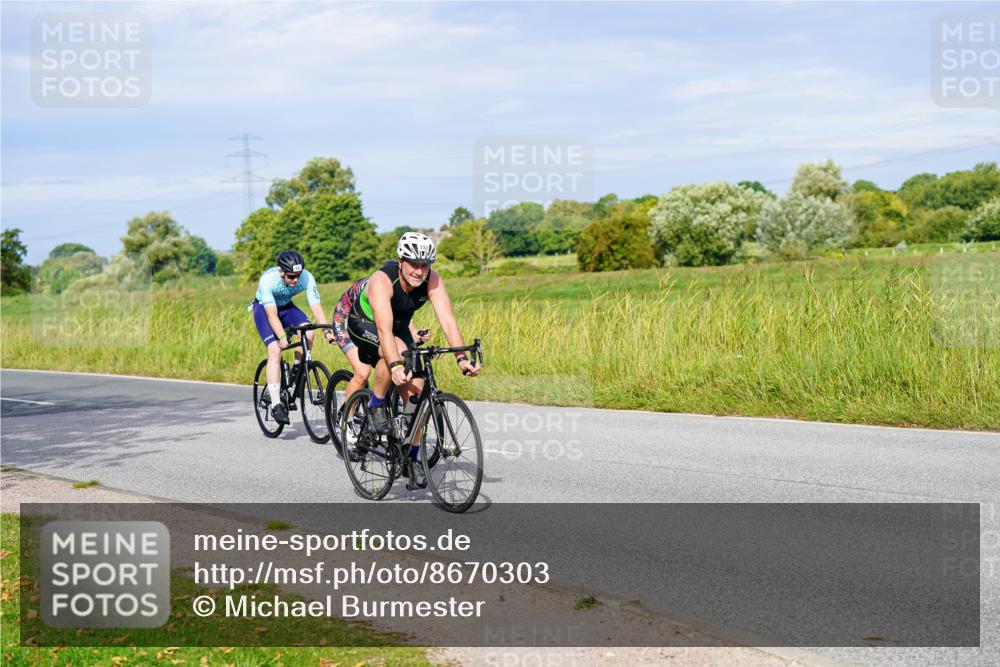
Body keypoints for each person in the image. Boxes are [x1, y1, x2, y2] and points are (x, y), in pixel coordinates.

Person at [346, 232, 481, 484]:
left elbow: (448, 319)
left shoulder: (433, 280)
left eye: (425, 265)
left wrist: (461, 358)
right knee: (394, 351)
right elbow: (384, 330)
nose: (420, 271)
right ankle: (376, 404)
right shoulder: (382, 280)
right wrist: (396, 363)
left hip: (398, 326)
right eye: (414, 264)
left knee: (417, 393)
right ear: (400, 261)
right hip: (364, 323)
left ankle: (413, 457)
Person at [251, 250, 334, 425]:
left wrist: (326, 331)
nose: (295, 280)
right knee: (275, 350)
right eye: (291, 276)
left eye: (298, 275)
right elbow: (272, 315)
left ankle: (297, 369)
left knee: (308, 331)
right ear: (281, 272)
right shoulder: (268, 281)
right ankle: (275, 404)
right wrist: (281, 336)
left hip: (286, 307)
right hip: (265, 309)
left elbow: (316, 307)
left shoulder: (307, 277)